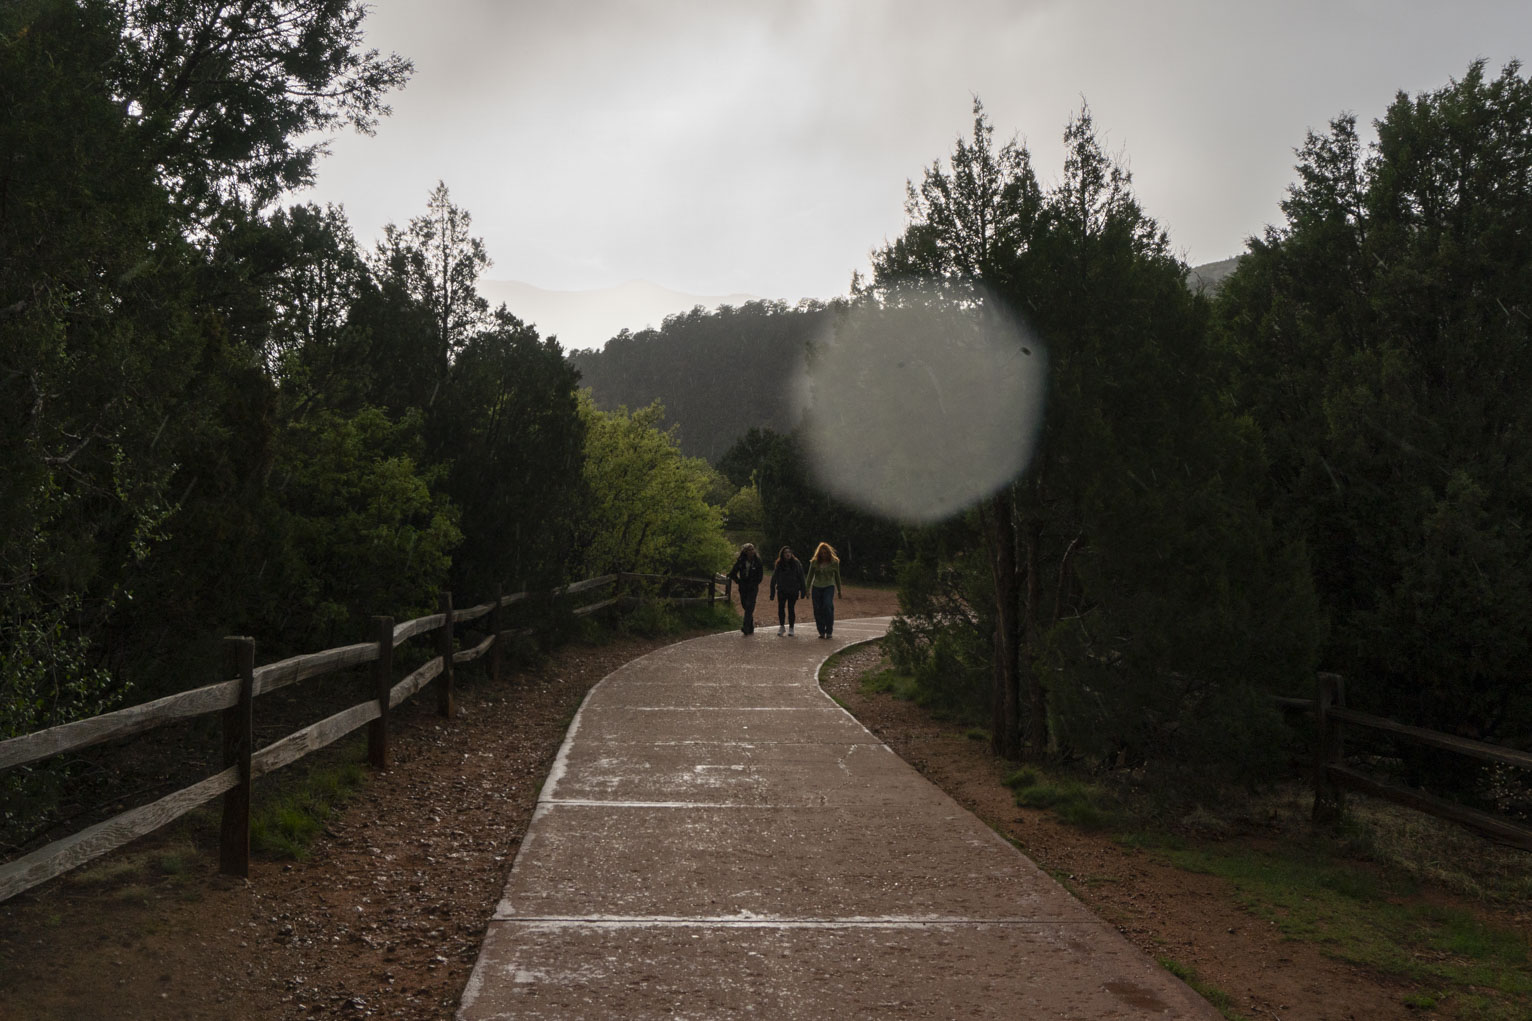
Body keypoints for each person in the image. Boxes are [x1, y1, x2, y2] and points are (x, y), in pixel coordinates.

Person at [805, 541, 843, 639]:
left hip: (829, 586)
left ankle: (829, 630)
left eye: (825, 553)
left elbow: (837, 577)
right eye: (822, 553)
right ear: (819, 553)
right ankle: (821, 630)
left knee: (827, 605)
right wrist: (807, 589)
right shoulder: (814, 562)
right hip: (816, 587)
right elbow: (809, 576)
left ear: (828, 553)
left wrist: (839, 590)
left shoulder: (834, 562)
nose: (824, 555)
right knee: (817, 609)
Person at [726, 542, 764, 635]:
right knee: (745, 605)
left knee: (749, 605)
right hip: (743, 587)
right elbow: (732, 573)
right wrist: (738, 581)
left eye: (752, 549)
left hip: (753, 587)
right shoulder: (741, 561)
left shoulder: (757, 561)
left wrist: (754, 583)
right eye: (749, 550)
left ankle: (745, 627)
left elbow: (760, 575)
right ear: (745, 552)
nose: (751, 551)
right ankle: (750, 626)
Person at [769, 546, 806, 636]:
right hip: (782, 589)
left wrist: (803, 590)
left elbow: (801, 577)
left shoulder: (796, 563)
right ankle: (782, 626)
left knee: (791, 608)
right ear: (782, 554)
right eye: (785, 552)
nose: (787, 554)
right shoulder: (779, 564)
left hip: (793, 590)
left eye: (789, 552)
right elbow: (774, 578)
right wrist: (772, 592)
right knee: (781, 608)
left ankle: (791, 627)